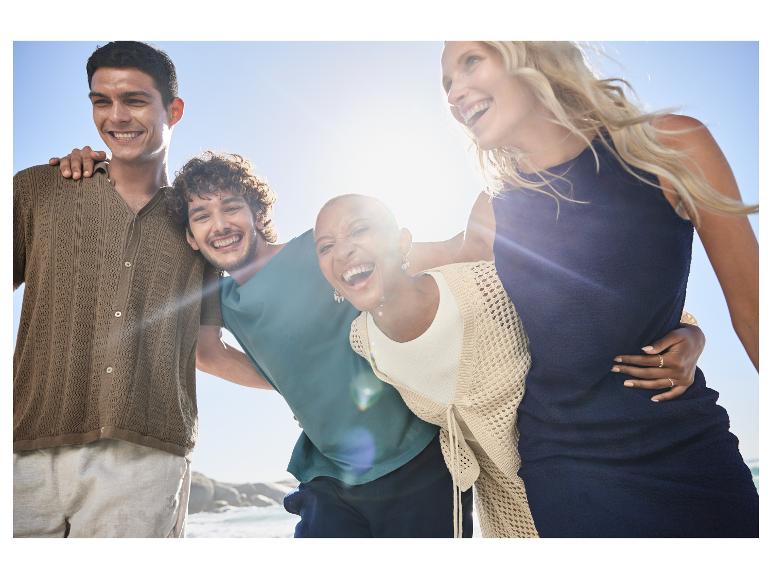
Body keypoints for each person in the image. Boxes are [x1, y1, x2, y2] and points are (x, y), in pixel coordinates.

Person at [441, 41, 759, 537]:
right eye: (446, 83)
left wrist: (693, 335)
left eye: (471, 62)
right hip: (566, 465)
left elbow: (754, 313)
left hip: (689, 445)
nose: (455, 91)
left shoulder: (672, 148)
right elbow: (427, 271)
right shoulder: (493, 208)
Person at [314, 194, 707, 538]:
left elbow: (604, 312)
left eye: (359, 230)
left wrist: (691, 336)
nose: (343, 250)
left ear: (402, 243)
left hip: (598, 490)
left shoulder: (485, 286)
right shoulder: (363, 340)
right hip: (506, 518)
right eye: (326, 245)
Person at [12, 41, 264, 538]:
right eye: (101, 101)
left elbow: (208, 352)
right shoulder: (40, 189)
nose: (115, 117)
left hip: (146, 462)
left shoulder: (198, 226)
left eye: (134, 100)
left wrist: (308, 385)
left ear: (174, 110)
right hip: (25, 455)